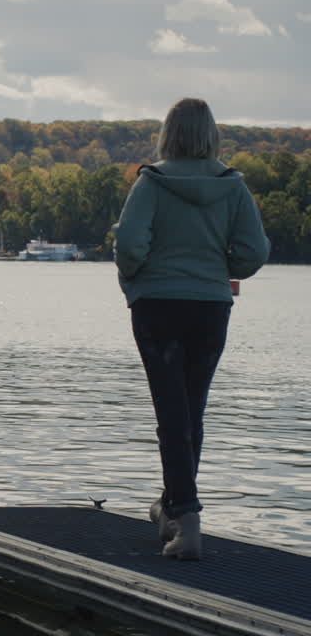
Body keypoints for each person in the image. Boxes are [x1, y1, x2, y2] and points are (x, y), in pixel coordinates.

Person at [114, 97, 269, 560]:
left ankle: (188, 521)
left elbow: (128, 241)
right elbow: (253, 251)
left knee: (171, 413)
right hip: (209, 307)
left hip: (157, 304)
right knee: (190, 411)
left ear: (168, 133)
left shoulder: (152, 182)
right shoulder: (233, 186)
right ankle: (170, 508)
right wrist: (222, 266)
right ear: (211, 135)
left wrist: (134, 276)